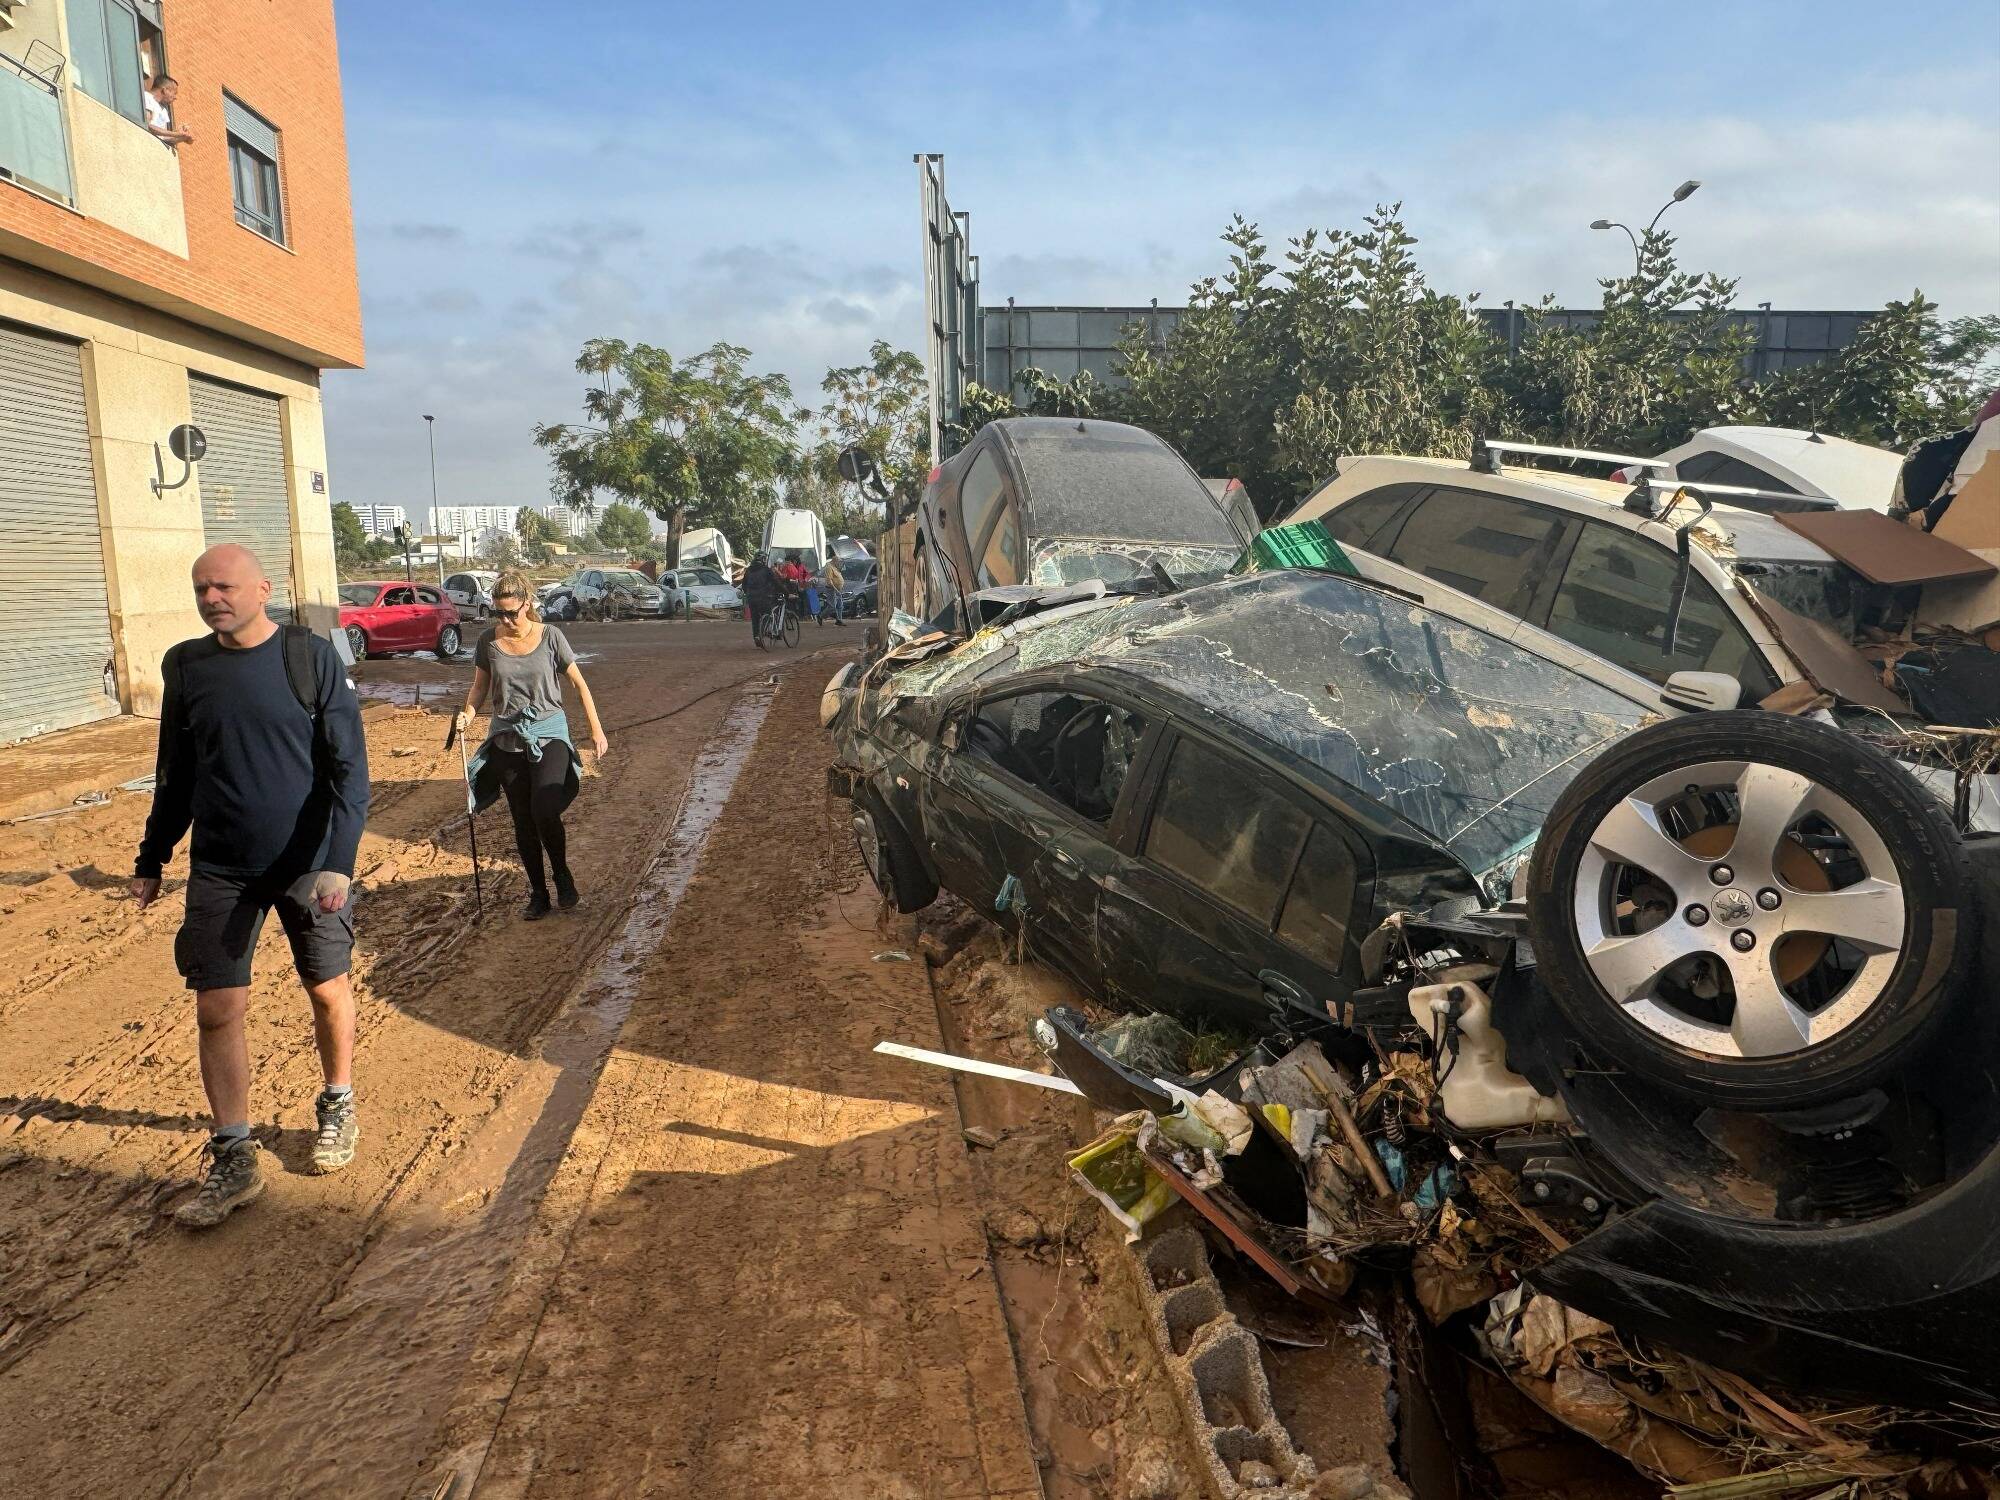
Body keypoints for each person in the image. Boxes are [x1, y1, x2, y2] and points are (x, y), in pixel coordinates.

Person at [131, 544, 370, 1229]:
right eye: (201, 588)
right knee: (216, 1008)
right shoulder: (186, 666)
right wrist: (153, 856)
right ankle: (235, 1154)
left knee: (326, 989)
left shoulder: (308, 658)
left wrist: (340, 862)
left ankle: (337, 1101)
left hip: (308, 863)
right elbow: (175, 771)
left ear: (262, 589)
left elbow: (350, 773)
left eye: (224, 587)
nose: (212, 598)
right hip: (221, 867)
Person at [456, 571, 608, 921]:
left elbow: (579, 684)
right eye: (499, 613)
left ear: (527, 604)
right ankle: (538, 893)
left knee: (544, 808)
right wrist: (467, 715)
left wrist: (596, 730)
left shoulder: (551, 636)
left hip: (549, 732)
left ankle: (562, 875)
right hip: (507, 737)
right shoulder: (487, 642)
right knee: (523, 820)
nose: (506, 620)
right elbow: (479, 688)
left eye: (511, 612)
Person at [145, 75, 195, 149]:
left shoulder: (163, 110)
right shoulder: (146, 97)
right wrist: (175, 134)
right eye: (174, 93)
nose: (175, 97)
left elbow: (163, 139)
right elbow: (146, 125)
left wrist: (182, 138)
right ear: (165, 90)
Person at [742, 551, 779, 648]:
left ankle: (756, 636)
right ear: (763, 559)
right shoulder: (766, 570)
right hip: (763, 597)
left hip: (751, 598)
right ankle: (763, 633)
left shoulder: (749, 570)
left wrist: (749, 593)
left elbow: (744, 585)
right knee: (767, 614)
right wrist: (787, 592)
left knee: (755, 618)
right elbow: (776, 582)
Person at [820, 556, 846, 626]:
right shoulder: (829, 567)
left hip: (838, 589)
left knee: (840, 605)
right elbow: (829, 581)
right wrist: (835, 589)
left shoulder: (835, 567)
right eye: (838, 562)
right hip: (832, 589)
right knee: (832, 606)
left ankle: (839, 620)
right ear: (835, 561)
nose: (839, 563)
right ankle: (820, 616)